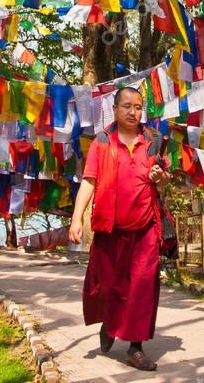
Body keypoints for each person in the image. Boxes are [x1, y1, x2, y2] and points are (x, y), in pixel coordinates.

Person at [68, 86, 169, 371]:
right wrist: (77, 218)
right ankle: (110, 325)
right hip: (111, 228)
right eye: (127, 106)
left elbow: (163, 184)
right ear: (115, 109)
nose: (133, 112)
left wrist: (160, 178)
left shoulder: (153, 140)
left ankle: (135, 347)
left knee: (142, 287)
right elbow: (89, 180)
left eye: (138, 107)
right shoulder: (102, 141)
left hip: (146, 228)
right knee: (110, 285)